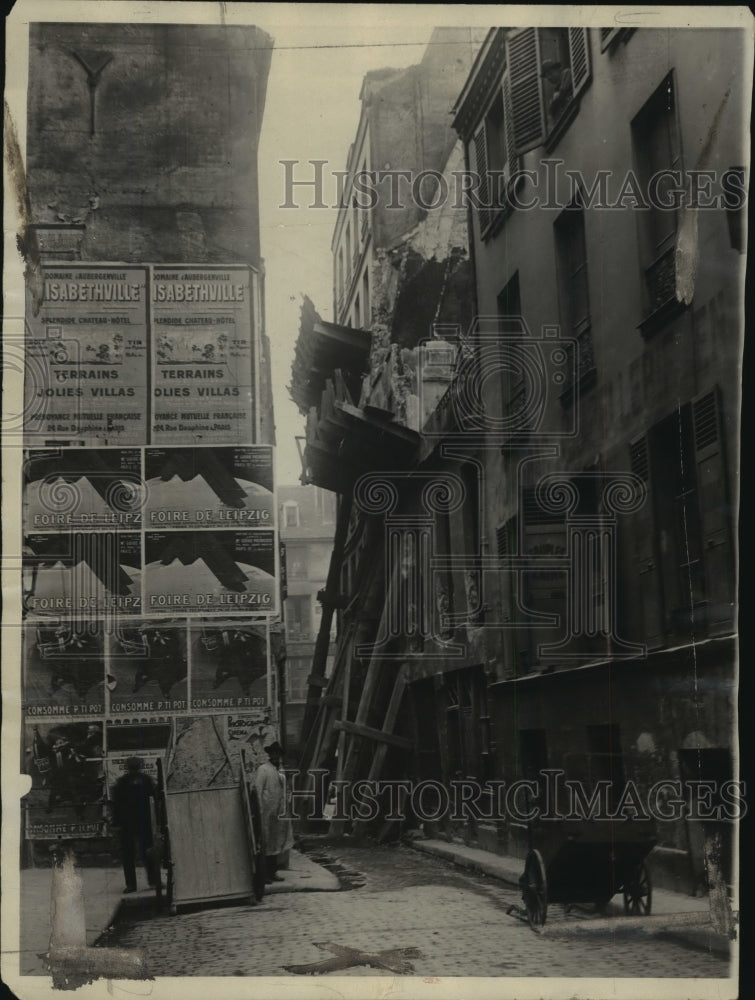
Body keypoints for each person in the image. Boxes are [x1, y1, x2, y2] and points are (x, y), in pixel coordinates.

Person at [111, 756, 159, 893]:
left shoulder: (121, 782)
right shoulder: (147, 780)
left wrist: (116, 823)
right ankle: (153, 881)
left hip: (128, 823)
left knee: (128, 855)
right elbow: (155, 801)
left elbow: (116, 805)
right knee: (149, 852)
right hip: (144, 821)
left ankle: (131, 884)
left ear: (128, 767)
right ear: (140, 766)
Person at [254, 741, 291, 884]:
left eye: (278, 754)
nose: (276, 756)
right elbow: (258, 790)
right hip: (266, 812)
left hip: (278, 812)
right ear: (269, 754)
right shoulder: (263, 769)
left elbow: (284, 789)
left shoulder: (280, 771)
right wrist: (260, 809)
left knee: (275, 842)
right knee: (265, 843)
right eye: (273, 753)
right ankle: (264, 875)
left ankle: (272, 872)